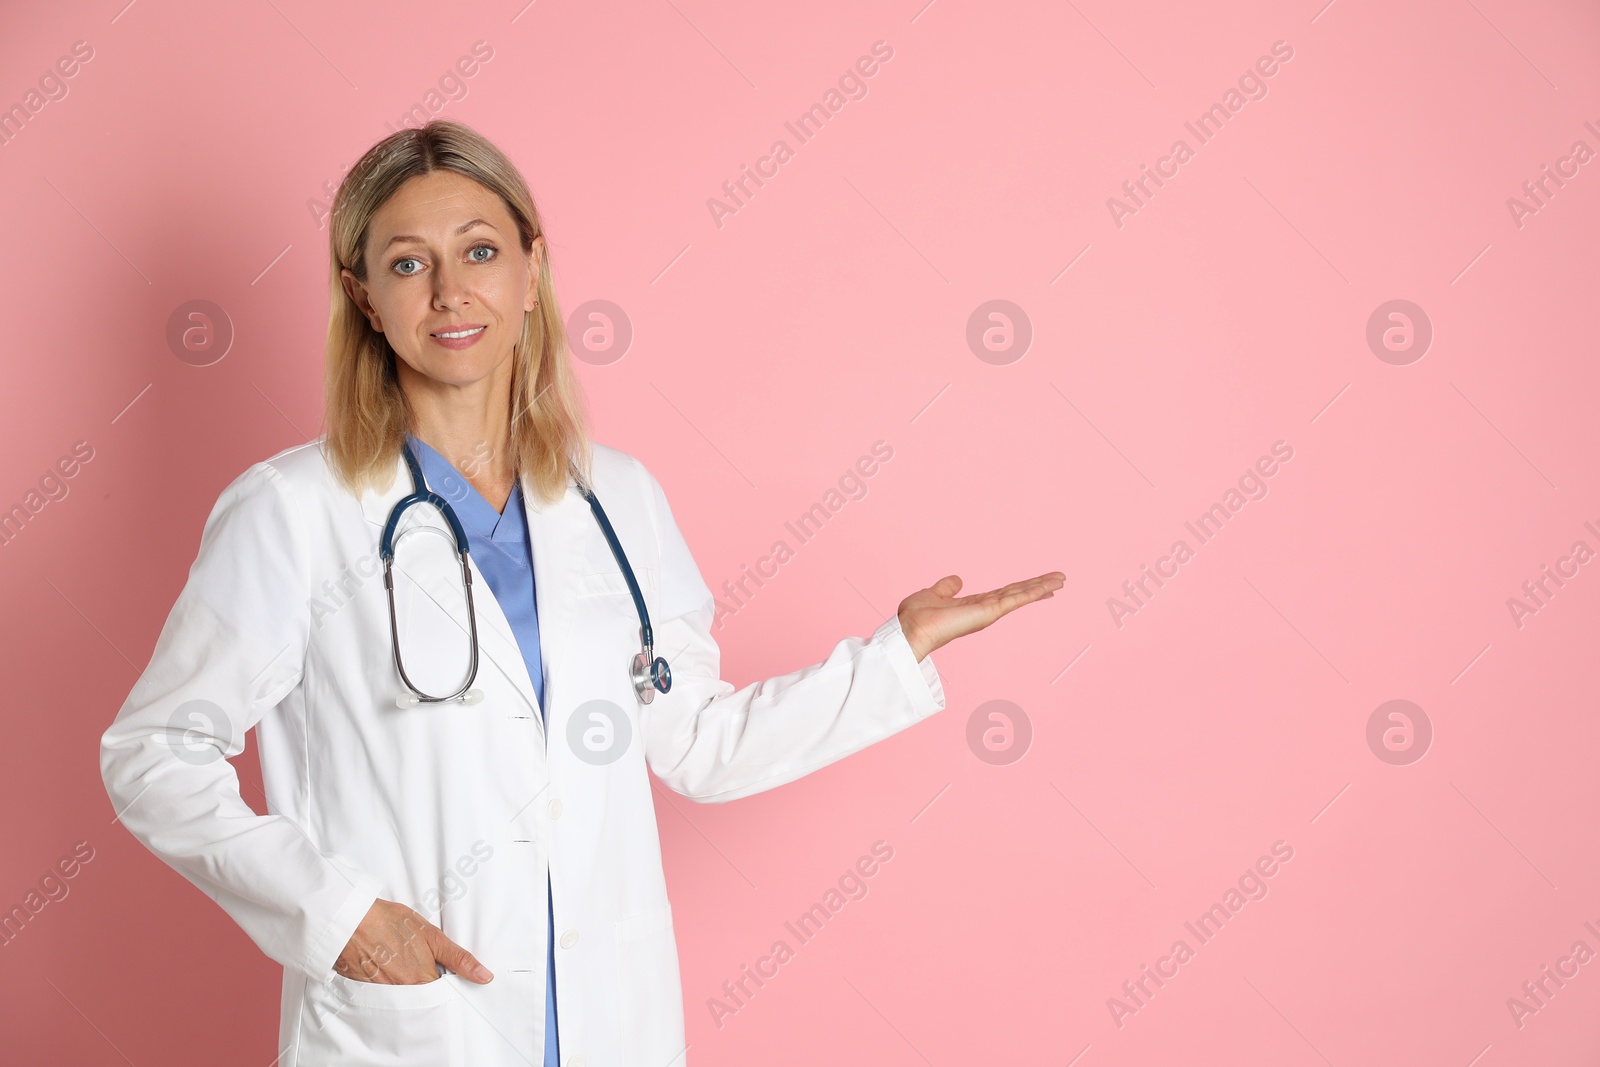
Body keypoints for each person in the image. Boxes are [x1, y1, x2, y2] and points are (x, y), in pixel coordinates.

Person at [98, 118, 1063, 1067]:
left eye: (480, 250)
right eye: (406, 264)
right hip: (415, 1028)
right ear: (363, 296)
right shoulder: (292, 512)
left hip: (611, 1024)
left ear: (531, 270)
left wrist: (895, 655)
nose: (448, 291)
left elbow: (697, 741)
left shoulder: (618, 498)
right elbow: (154, 752)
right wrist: (341, 918)